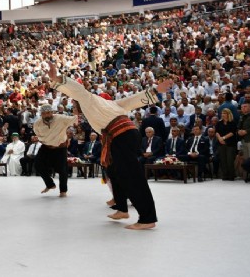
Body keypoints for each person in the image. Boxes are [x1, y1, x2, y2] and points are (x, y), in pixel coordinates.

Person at [47, 62, 172, 230]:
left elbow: (79, 90)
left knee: (132, 175)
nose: (73, 105)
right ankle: (122, 208)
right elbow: (134, 100)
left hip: (122, 134)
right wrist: (157, 90)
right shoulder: (112, 104)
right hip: (121, 135)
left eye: (73, 103)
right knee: (113, 170)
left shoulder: (89, 100)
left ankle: (147, 218)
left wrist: (57, 80)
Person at [33, 103, 77, 197]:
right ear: (41, 114)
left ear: (52, 112)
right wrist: (47, 140)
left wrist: (76, 111)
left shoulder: (60, 118)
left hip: (60, 147)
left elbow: (74, 119)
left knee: (62, 170)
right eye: (44, 113)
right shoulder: (37, 123)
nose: (46, 115)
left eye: (48, 113)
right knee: (38, 165)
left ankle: (63, 191)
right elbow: (38, 135)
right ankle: (50, 184)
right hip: (46, 147)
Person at [215, 108, 237, 180]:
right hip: (221, 143)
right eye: (222, 113)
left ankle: (231, 175)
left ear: (228, 114)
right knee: (223, 160)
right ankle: (225, 175)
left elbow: (232, 132)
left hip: (230, 143)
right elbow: (217, 132)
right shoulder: (219, 123)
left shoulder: (232, 122)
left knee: (230, 160)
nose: (223, 115)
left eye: (224, 113)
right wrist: (219, 138)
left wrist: (223, 138)